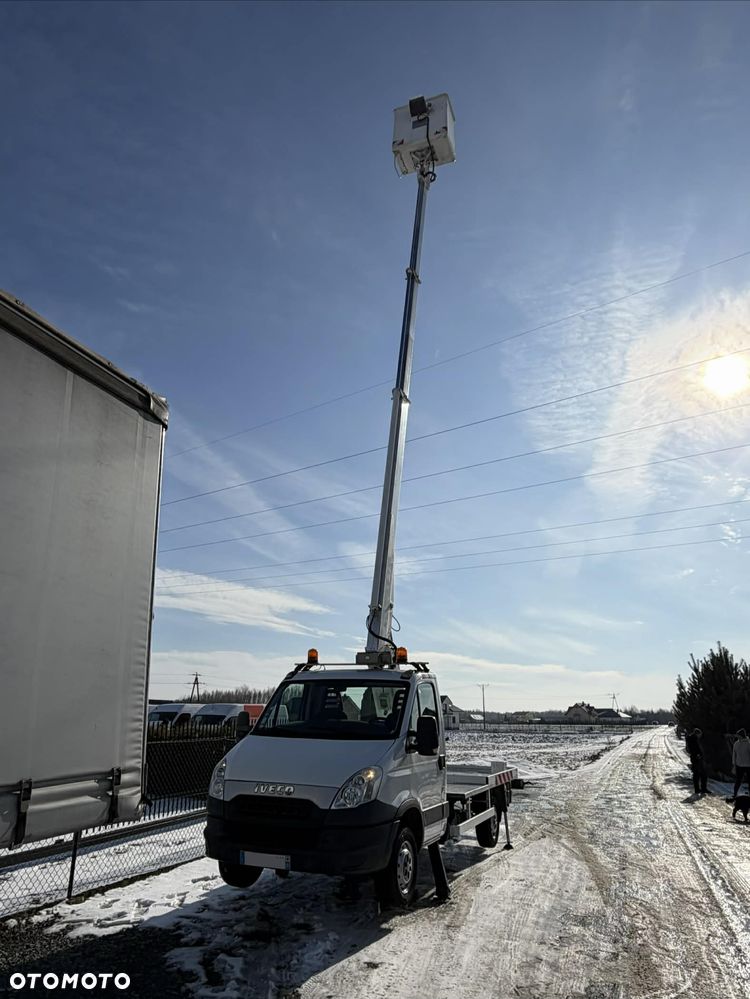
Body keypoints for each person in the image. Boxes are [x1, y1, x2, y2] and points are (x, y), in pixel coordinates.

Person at [685, 727, 708, 795]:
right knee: (699, 774)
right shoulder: (693, 740)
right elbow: (694, 749)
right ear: (697, 733)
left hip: (695, 757)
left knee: (698, 774)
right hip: (696, 758)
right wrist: (698, 754)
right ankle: (701, 789)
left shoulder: (692, 739)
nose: (700, 736)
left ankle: (699, 789)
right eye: (700, 735)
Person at [731, 728, 750, 799]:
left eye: (738, 735)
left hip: (748, 765)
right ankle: (735, 794)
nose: (737, 737)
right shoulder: (736, 744)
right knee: (738, 780)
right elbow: (734, 755)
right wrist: (734, 765)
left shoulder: (748, 744)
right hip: (739, 765)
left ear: (742, 736)